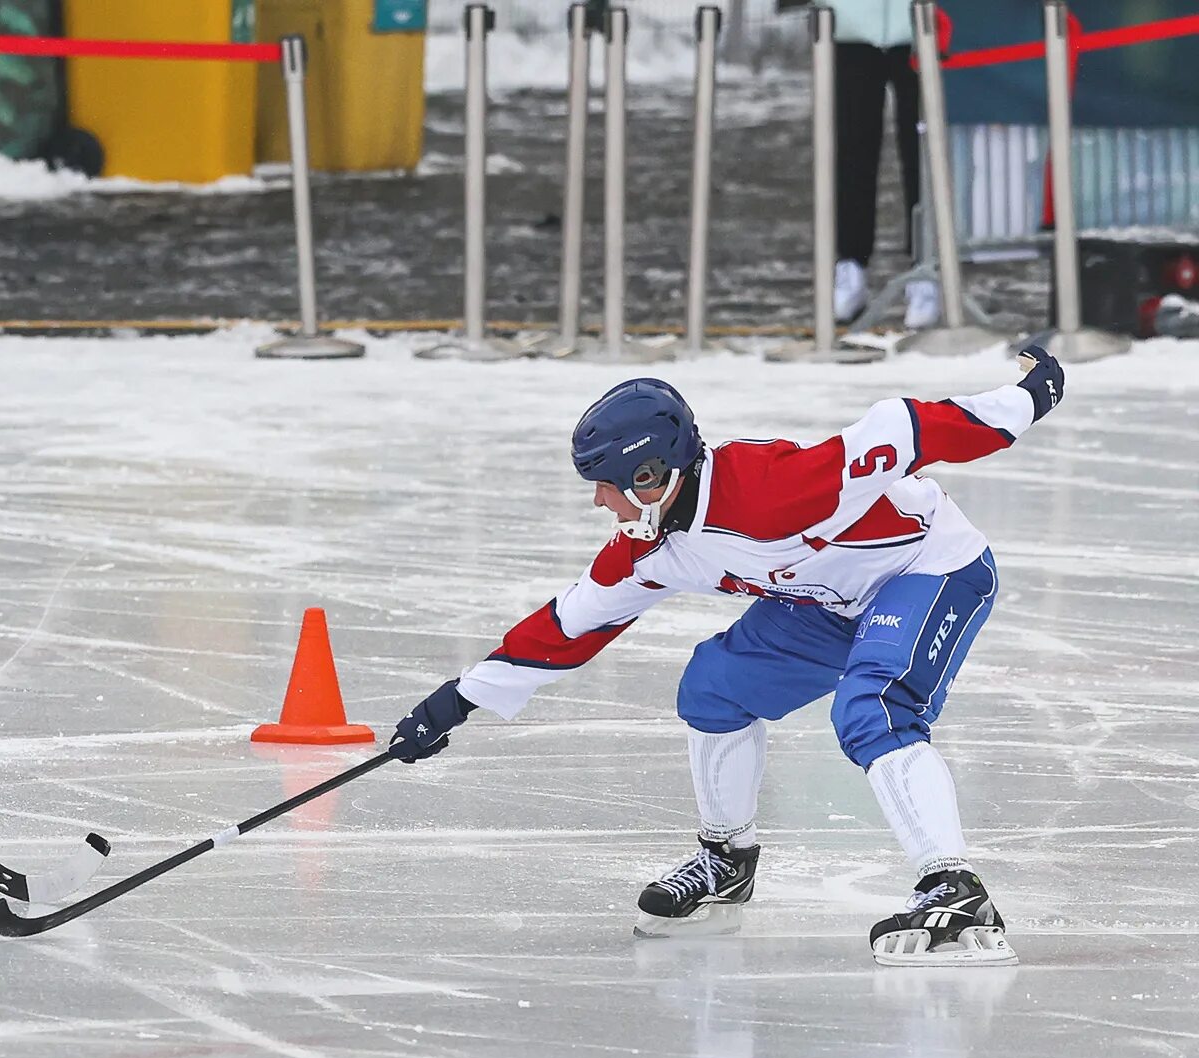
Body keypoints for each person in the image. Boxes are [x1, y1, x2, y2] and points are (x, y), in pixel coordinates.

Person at [387, 348, 1067, 967]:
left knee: (873, 706)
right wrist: (457, 701)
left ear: (650, 477)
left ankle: (954, 886)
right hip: (825, 600)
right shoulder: (653, 547)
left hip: (927, 567)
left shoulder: (769, 491)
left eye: (606, 483)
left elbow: (903, 428)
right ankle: (726, 862)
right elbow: (569, 625)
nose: (598, 499)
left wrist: (1027, 398)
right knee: (713, 686)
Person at [826, 0, 933, 329]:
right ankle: (849, 263)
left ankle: (927, 265)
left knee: (925, 152)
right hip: (848, 20)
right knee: (850, 149)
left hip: (925, 21)